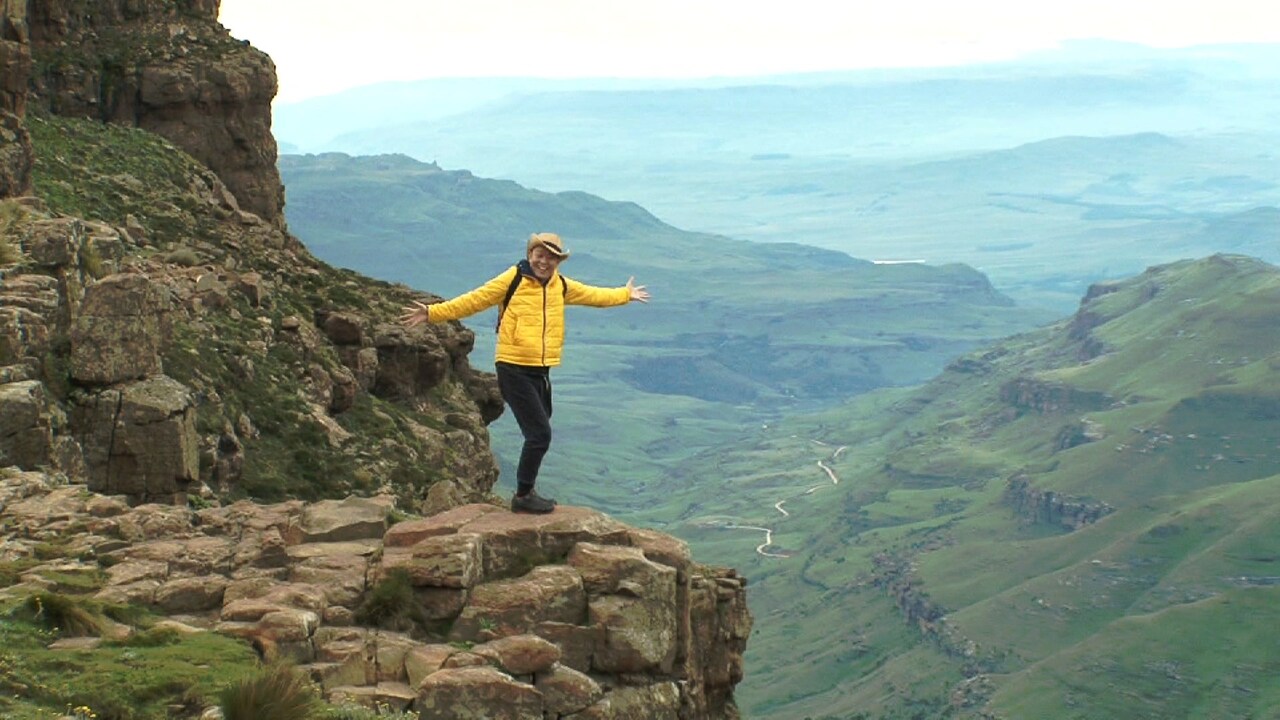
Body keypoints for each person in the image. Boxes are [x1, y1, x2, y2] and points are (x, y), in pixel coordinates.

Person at [400, 232, 650, 514]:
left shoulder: (560, 286)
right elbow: (475, 300)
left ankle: (527, 489)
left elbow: (594, 295)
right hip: (512, 366)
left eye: (551, 257)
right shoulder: (513, 279)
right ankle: (523, 495)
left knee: (541, 427)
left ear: (558, 261)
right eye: (539, 255)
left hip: (540, 371)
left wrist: (624, 294)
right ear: (530, 254)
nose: (544, 262)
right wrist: (433, 313)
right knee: (539, 434)